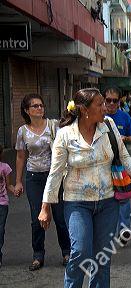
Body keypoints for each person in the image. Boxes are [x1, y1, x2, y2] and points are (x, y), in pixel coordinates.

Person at [37, 88, 131, 287]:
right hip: (77, 203)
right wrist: (45, 206)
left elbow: (123, 156)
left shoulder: (109, 126)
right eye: (100, 104)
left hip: (108, 201)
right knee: (80, 252)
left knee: (102, 258)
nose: (105, 108)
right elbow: (55, 173)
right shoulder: (65, 134)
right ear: (84, 109)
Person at [15, 94, 71, 271]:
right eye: (35, 106)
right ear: (27, 110)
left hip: (54, 176)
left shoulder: (53, 125)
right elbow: (20, 156)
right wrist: (17, 182)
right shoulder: (22, 131)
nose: (40, 108)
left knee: (60, 217)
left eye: (41, 105)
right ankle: (38, 256)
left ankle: (67, 252)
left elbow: (68, 131)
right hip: (34, 178)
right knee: (36, 218)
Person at [104, 87, 131, 245]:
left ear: (119, 102)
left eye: (114, 100)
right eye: (107, 100)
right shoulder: (98, 116)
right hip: (102, 166)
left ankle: (124, 230)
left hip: (121, 164)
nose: (110, 103)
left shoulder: (124, 117)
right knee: (108, 199)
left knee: (123, 198)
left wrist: (125, 138)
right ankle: (107, 233)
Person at [0, 144, 15, 269]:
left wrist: (15, 190)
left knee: (0, 230)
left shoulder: (5, 168)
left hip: (2, 203)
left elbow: (8, 185)